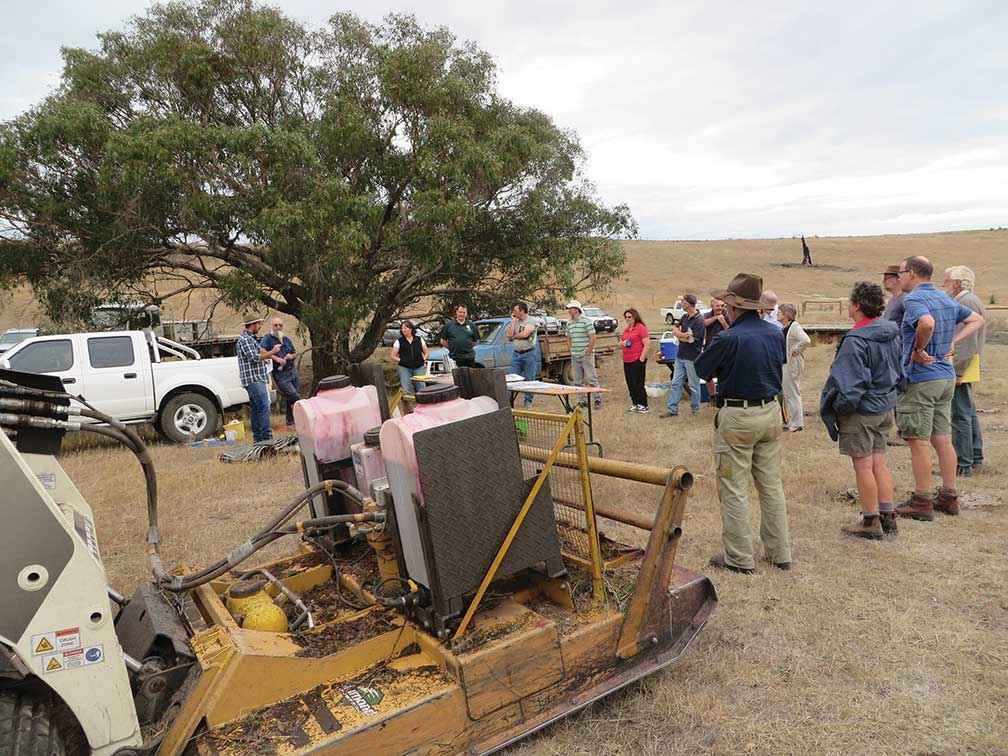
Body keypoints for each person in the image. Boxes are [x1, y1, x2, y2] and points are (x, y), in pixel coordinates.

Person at [695, 273, 790, 574]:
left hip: (738, 414)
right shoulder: (775, 332)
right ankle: (780, 552)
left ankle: (739, 557)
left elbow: (702, 369)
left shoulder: (728, 337)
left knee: (734, 487)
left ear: (732, 305)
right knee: (771, 485)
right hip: (770, 411)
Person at [893, 256, 985, 520]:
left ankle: (922, 501)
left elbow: (927, 323)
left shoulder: (913, 300)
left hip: (923, 378)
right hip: (945, 377)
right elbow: (977, 319)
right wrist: (953, 342)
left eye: (900, 273)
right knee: (942, 438)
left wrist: (919, 348)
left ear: (911, 273)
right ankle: (949, 495)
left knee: (918, 440)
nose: (899, 278)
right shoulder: (946, 298)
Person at [820, 282, 902, 539]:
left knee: (864, 466)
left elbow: (849, 384)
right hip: (885, 405)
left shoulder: (856, 339)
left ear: (856, 305)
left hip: (862, 410)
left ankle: (870, 520)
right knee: (879, 461)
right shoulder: (892, 331)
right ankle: (888, 515)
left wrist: (839, 410)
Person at [942, 266, 986, 476]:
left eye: (947, 280)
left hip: (961, 364)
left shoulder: (965, 302)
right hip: (968, 364)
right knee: (967, 412)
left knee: (960, 415)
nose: (944, 285)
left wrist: (957, 370)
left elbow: (965, 341)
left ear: (957, 283)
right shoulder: (970, 300)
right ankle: (975, 456)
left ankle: (963, 462)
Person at [236, 316, 280, 443]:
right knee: (263, 407)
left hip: (256, 378)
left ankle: (258, 439)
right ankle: (266, 438)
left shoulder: (250, 339)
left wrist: (265, 356)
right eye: (259, 324)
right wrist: (272, 351)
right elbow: (254, 357)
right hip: (253, 379)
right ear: (253, 324)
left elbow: (259, 355)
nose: (260, 326)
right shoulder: (245, 339)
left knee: (256, 409)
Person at [663, 294, 705, 417]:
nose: (681, 303)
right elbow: (675, 330)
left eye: (683, 302)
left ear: (689, 304)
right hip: (680, 355)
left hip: (692, 357)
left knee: (693, 385)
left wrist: (680, 335)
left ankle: (695, 410)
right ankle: (672, 410)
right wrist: (682, 335)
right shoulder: (684, 317)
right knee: (676, 383)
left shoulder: (699, 320)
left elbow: (691, 339)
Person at [260, 317, 299, 430]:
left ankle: (290, 422)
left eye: (280, 325)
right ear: (272, 326)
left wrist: (290, 356)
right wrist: (276, 359)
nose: (278, 327)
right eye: (275, 325)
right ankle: (304, 417)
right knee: (294, 396)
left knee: (290, 397)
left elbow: (294, 353)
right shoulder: (267, 339)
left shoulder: (286, 339)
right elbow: (262, 352)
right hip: (280, 373)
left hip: (292, 370)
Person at [778, 303, 810, 432]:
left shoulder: (794, 327)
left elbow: (806, 340)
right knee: (787, 394)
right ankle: (791, 421)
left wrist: (796, 349)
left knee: (792, 393)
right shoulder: (784, 327)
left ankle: (797, 423)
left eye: (780, 312)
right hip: (784, 364)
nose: (777, 314)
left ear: (786, 314)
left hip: (791, 365)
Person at [566, 300, 602, 408]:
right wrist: (571, 349)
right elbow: (568, 337)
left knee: (591, 378)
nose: (568, 311)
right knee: (577, 379)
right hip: (575, 354)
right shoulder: (569, 323)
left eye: (570, 309)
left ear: (576, 310)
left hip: (586, 354)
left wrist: (588, 351)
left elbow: (593, 337)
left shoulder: (586, 321)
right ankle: (582, 400)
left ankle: (597, 399)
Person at [506, 303, 539, 408]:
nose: (514, 313)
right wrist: (512, 322)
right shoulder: (515, 321)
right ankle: (509, 401)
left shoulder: (531, 321)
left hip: (529, 353)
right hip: (516, 354)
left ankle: (528, 401)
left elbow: (525, 334)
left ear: (522, 311)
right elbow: (508, 335)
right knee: (511, 378)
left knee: (529, 378)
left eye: (516, 311)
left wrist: (514, 337)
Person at [620, 308, 650, 413]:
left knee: (638, 383)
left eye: (630, 317)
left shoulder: (641, 328)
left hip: (637, 358)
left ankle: (643, 404)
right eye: (626, 317)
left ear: (635, 317)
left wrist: (641, 359)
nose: (628, 319)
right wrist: (622, 344)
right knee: (630, 383)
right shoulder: (627, 329)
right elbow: (622, 340)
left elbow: (646, 344)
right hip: (627, 359)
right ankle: (635, 403)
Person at [702, 297, 729, 400]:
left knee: (723, 374)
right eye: (717, 306)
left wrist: (723, 322)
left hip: (724, 350)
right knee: (707, 375)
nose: (720, 308)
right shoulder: (707, 315)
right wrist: (715, 318)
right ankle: (713, 397)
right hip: (710, 349)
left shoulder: (727, 315)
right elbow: (702, 324)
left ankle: (723, 396)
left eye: (722, 305)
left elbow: (731, 331)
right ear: (712, 306)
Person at [392, 320, 428, 396]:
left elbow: (426, 352)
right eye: (402, 328)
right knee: (406, 387)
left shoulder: (419, 339)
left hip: (419, 367)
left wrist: (423, 360)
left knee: (421, 386)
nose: (403, 330)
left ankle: (423, 404)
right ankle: (410, 406)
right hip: (404, 367)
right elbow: (393, 356)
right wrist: (402, 360)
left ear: (411, 329)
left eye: (405, 328)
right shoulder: (399, 341)